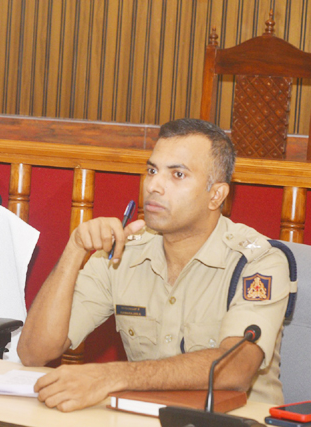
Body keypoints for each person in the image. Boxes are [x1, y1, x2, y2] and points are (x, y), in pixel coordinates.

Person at [18, 118, 290, 411]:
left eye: (177, 174)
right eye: (151, 171)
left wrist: (112, 376)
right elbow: (34, 352)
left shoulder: (258, 261)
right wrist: (74, 249)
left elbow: (236, 368)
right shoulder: (123, 253)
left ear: (216, 195)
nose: (154, 186)